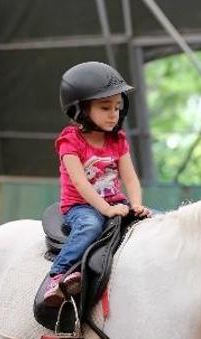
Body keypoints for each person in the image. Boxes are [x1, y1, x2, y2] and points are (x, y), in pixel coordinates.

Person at [43, 61, 150, 307]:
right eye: (105, 107)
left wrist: (137, 204)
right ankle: (58, 276)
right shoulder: (70, 141)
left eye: (117, 107)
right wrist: (106, 209)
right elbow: (80, 183)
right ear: (80, 109)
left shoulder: (118, 140)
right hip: (81, 206)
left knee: (155, 221)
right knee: (90, 226)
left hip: (116, 203)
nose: (114, 114)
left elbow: (130, 177)